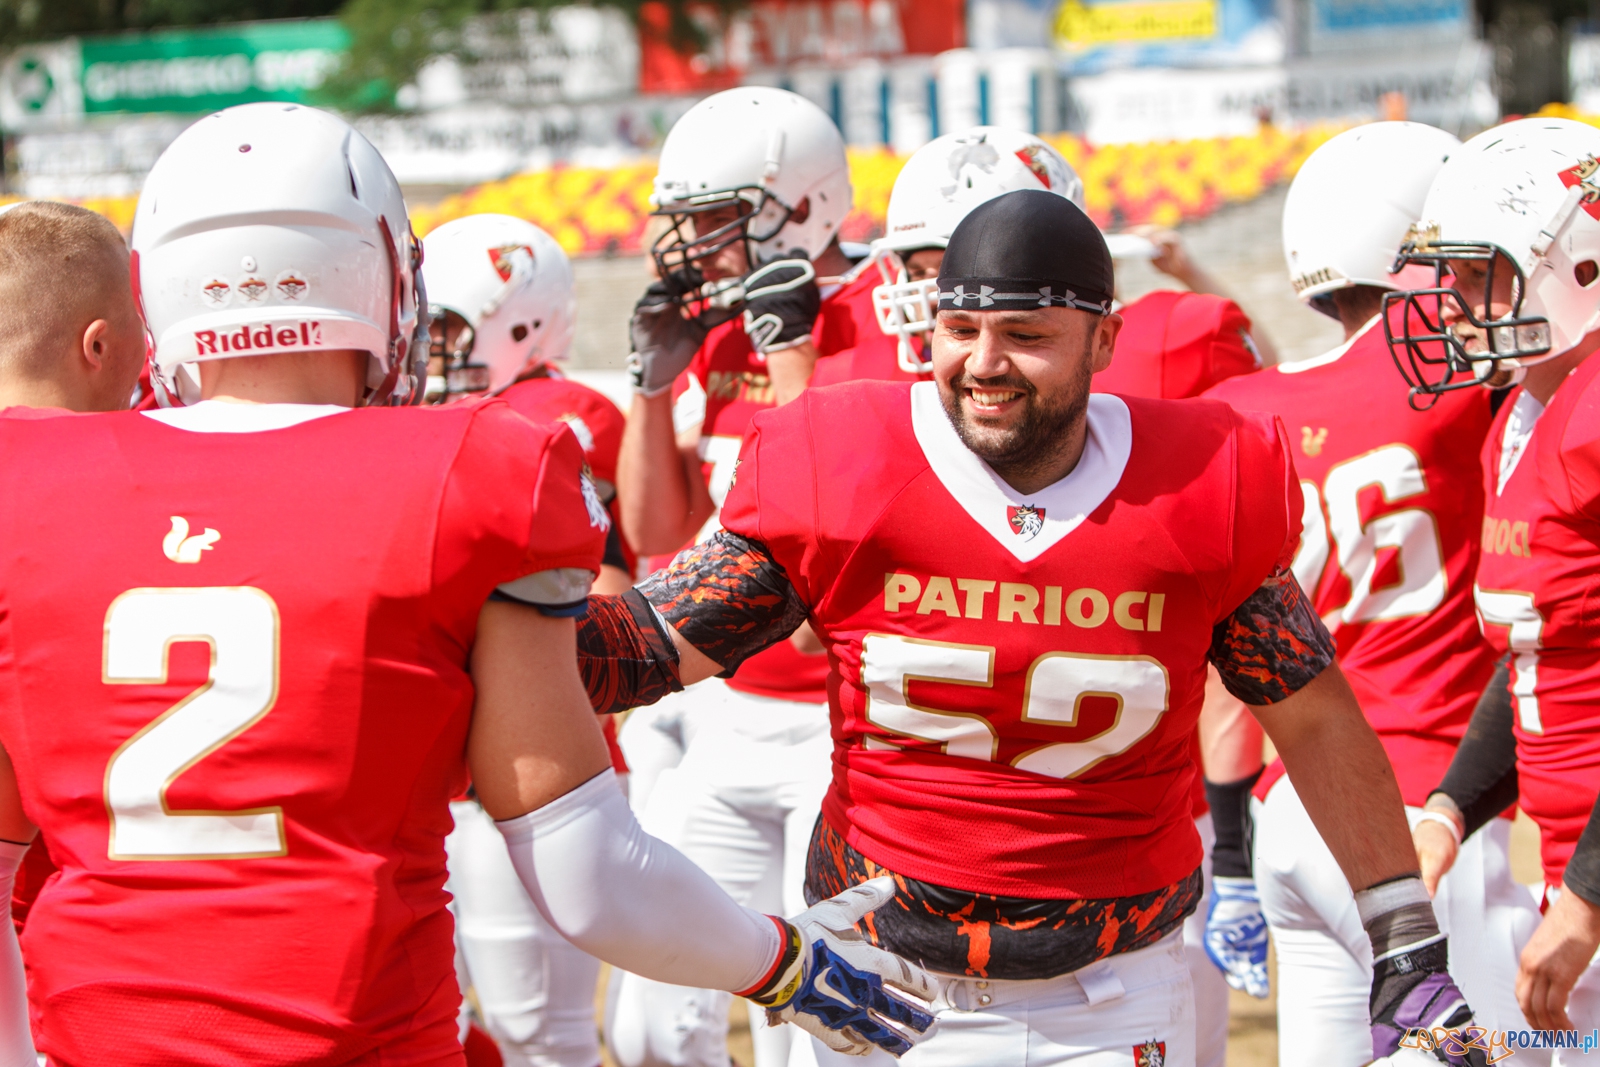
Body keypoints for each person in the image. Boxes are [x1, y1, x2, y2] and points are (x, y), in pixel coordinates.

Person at [0, 102, 933, 1066]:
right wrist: (778, 963)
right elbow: (586, 871)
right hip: (363, 1036)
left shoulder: (22, 479)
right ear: (381, 278)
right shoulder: (468, 467)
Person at [580, 187, 1490, 1067]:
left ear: (1104, 339)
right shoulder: (843, 458)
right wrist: (503, 609)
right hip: (878, 982)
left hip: (1112, 989)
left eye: (1025, 335)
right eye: (960, 329)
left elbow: (1313, 715)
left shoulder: (1201, 478)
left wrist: (1405, 934)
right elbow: (645, 650)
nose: (983, 362)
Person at [1202, 120, 1540, 1066]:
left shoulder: (1243, 409)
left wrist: (1227, 844)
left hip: (1289, 807)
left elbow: (1229, 676)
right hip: (1427, 811)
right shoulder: (1453, 375)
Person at [611, 85, 899, 1067]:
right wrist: (652, 391)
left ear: (807, 203)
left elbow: (836, 553)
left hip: (840, 721)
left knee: (821, 1036)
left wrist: (793, 359)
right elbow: (656, 527)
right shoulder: (721, 330)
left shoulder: (887, 318)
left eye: (717, 218)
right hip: (730, 709)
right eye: (685, 222)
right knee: (647, 1023)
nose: (694, 245)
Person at [1390, 116, 1600, 1056]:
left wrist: (1591, 894)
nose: (1456, 303)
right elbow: (1532, 651)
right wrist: (1450, 806)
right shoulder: (1521, 416)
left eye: (1483, 272)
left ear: (1578, 264)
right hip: (1566, 866)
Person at [421, 213, 634, 1067]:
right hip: (446, 763)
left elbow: (605, 581)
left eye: (446, 328)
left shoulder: (559, 419)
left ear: (517, 322)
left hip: (523, 765)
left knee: (535, 1022)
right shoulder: (440, 412)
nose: (428, 348)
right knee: (479, 1014)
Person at [809, 126, 1083, 388]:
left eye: (946, 270)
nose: (929, 295)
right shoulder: (864, 370)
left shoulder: (1099, 366)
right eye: (916, 272)